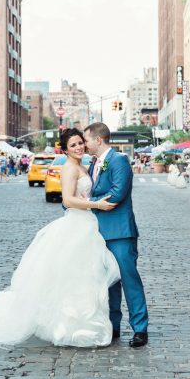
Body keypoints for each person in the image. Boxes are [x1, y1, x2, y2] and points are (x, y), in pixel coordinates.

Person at [0, 128, 120, 347]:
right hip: (76, 223)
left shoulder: (83, 165)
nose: (79, 147)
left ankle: (84, 324)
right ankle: (67, 326)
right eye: (73, 145)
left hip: (87, 224)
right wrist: (96, 204)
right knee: (73, 275)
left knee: (84, 275)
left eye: (80, 143)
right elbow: (68, 201)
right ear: (64, 149)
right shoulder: (69, 168)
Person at [84, 122, 149, 348]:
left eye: (87, 140)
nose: (85, 145)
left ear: (98, 140)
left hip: (119, 231)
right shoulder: (93, 163)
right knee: (108, 282)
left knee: (129, 279)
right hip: (98, 232)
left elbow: (117, 193)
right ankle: (113, 326)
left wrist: (85, 204)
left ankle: (140, 328)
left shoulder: (119, 160)